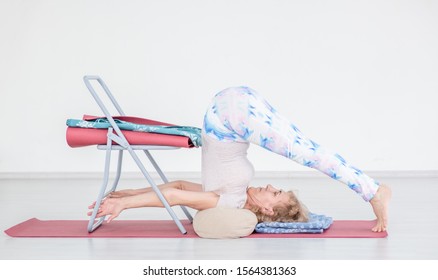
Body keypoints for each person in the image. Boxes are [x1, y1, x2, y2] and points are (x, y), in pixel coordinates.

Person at [88, 86, 391, 232]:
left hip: (230, 119)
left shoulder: (230, 202)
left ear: (266, 209)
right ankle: (371, 190)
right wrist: (127, 193)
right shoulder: (236, 192)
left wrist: (124, 203)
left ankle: (373, 191)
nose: (271, 186)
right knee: (302, 144)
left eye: (274, 193)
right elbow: (178, 186)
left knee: (307, 153)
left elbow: (174, 193)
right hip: (236, 114)